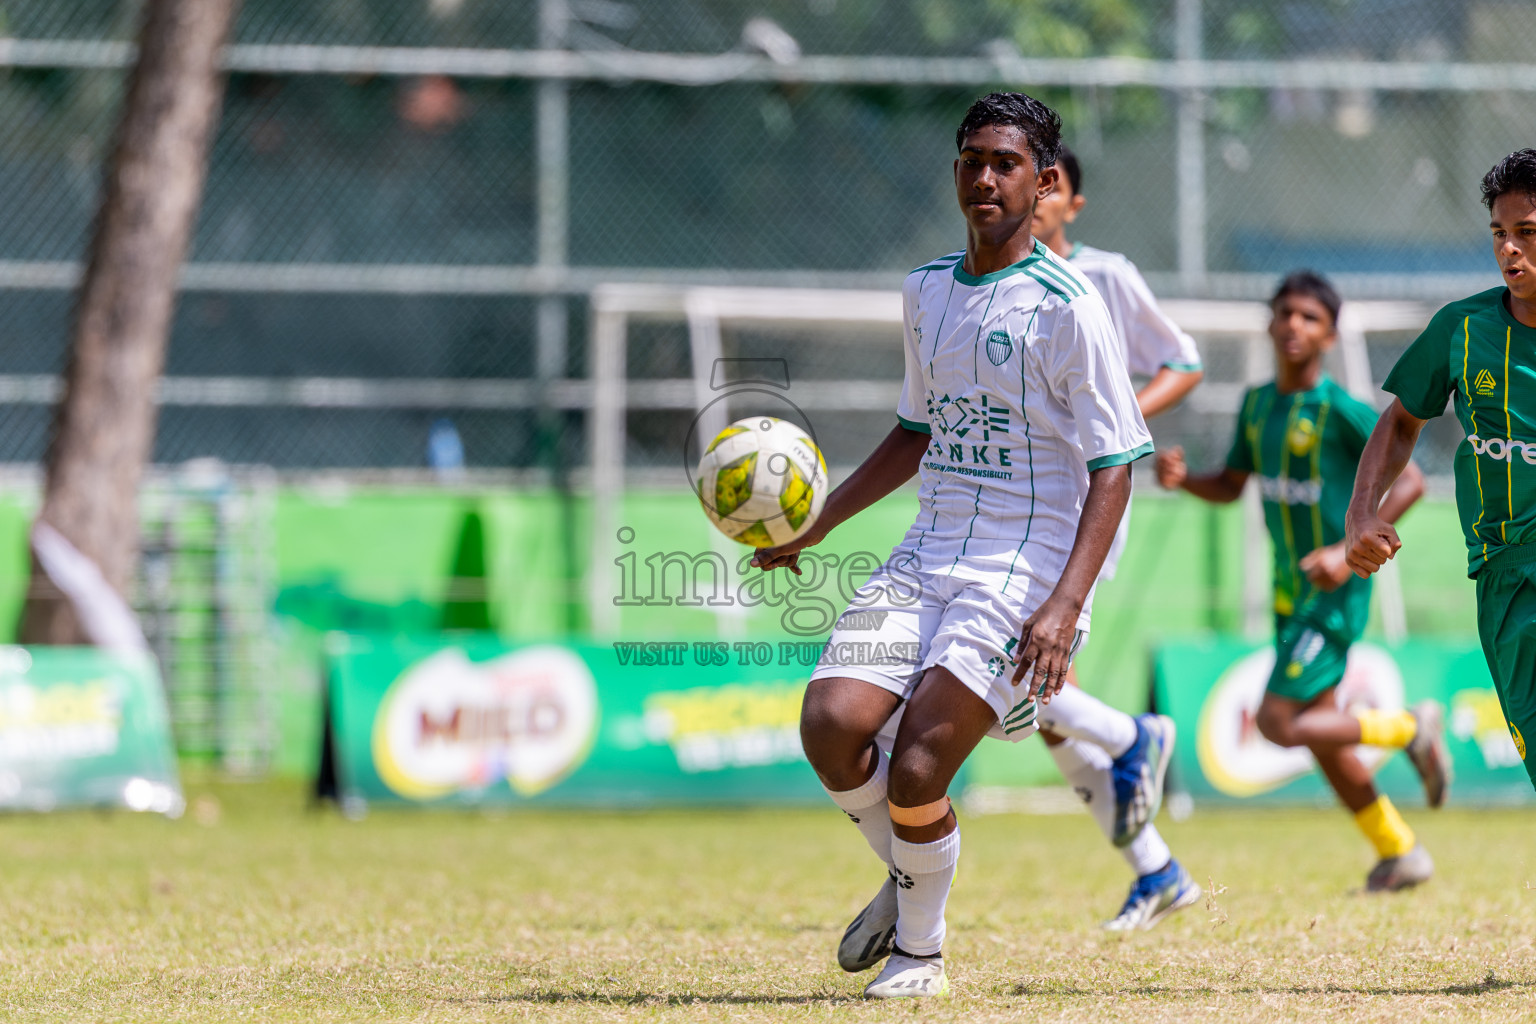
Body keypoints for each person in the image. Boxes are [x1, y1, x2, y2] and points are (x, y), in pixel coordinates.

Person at [751, 92, 1152, 998]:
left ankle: (920, 954)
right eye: (972, 160)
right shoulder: (925, 290)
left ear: (1043, 183)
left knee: (921, 764)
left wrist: (1065, 604)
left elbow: (1117, 464)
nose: (985, 178)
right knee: (830, 725)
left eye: (1007, 163)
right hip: (928, 549)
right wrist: (821, 522)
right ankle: (910, 873)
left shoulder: (1070, 306)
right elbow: (914, 431)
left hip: (1026, 564)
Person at [1156, 270, 1448, 893]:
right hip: (1291, 594)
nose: (1294, 324)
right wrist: (1185, 482)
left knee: (1276, 722)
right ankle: (1399, 852)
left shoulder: (1340, 410)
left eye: (1310, 317)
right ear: (1269, 323)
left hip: (1335, 593)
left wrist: (1345, 553)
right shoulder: (1257, 405)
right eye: (1286, 312)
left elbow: (1413, 481)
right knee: (1318, 730)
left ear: (1329, 336)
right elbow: (1231, 485)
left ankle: (1407, 728)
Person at [1027, 143, 1205, 930]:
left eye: (1051, 184)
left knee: (1026, 677)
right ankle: (1156, 868)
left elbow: (1183, 360)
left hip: (1087, 505)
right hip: (1014, 505)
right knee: (1039, 700)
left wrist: (1122, 415)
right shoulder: (991, 281)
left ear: (1072, 202)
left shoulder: (1103, 276)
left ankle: (1136, 740)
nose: (1036, 195)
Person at [1347, 149, 1536, 795]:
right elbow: (1402, 421)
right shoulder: (1463, 329)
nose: (1509, 249)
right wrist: (1361, 512)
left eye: (1527, 232)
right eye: (1499, 233)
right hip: (1506, 579)